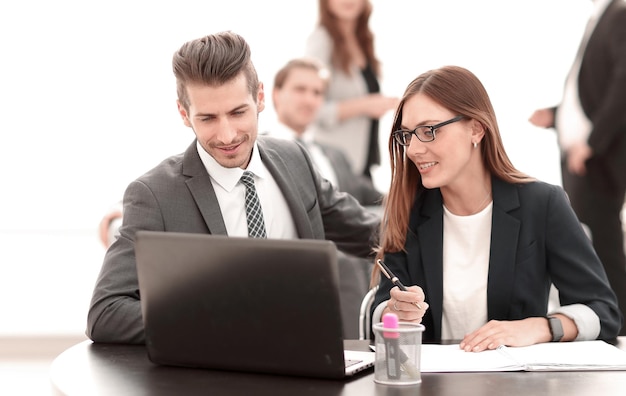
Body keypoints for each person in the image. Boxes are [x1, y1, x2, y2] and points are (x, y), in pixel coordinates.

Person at [87, 31, 380, 344]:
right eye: (208, 118)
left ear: (261, 98)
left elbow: (370, 233)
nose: (227, 135)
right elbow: (106, 313)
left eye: (238, 112)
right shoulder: (155, 195)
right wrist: (218, 319)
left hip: (311, 361)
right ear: (184, 114)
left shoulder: (294, 159)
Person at [370, 65, 622, 352]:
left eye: (428, 131)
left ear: (476, 129)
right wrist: (394, 312)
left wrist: (541, 326)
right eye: (407, 135)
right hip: (430, 386)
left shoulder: (541, 203)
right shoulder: (408, 210)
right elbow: (378, 315)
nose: (413, 149)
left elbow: (603, 312)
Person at [528, 0, 626, 336]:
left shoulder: (620, 14)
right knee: (592, 246)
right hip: (579, 156)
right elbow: (593, 91)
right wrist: (556, 116)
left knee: (603, 250)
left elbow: (623, 84)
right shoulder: (599, 17)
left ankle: (617, 333)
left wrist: (592, 143)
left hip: (595, 159)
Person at [305, 0, 398, 180]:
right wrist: (365, 105)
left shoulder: (363, 40)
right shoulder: (322, 39)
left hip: (362, 164)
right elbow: (311, 109)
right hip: (335, 168)